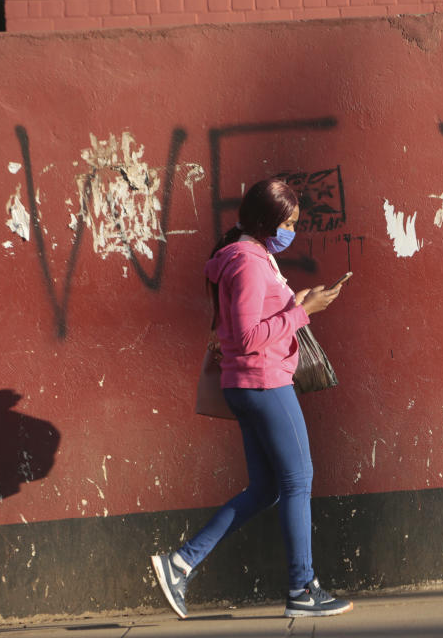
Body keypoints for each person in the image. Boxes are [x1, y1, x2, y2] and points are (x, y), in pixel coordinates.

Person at [150, 178, 352, 619]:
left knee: (266, 488)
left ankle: (181, 563)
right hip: (263, 383)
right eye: (289, 223)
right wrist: (303, 312)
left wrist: (297, 303)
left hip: (251, 384)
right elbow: (244, 338)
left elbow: (252, 321)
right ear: (267, 221)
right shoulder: (247, 262)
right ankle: (302, 587)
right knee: (298, 480)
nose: (292, 231)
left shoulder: (251, 256)